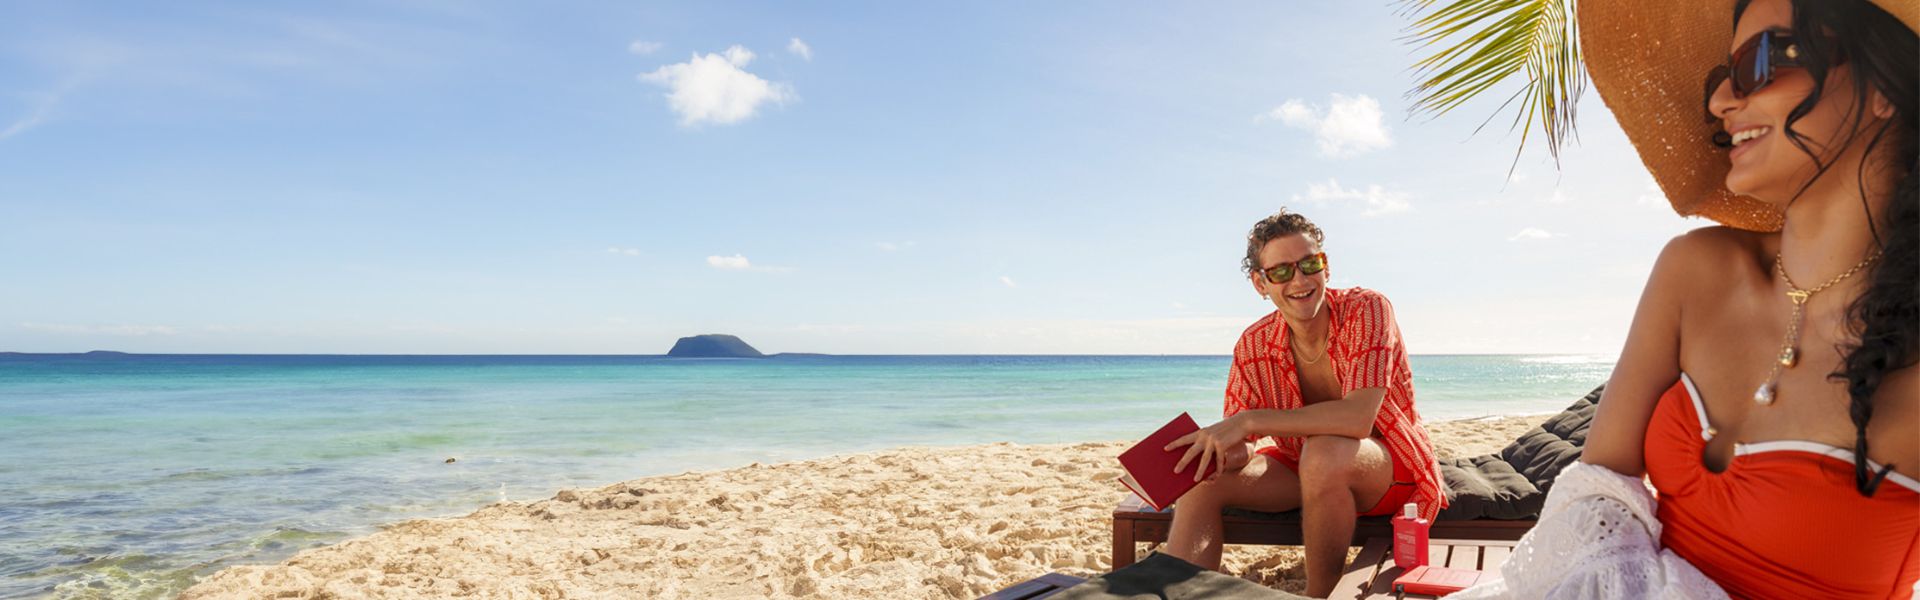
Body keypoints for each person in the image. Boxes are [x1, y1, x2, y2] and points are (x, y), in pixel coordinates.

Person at [1455, 0, 1919, 597]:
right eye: (1719, 78)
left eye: (1762, 60)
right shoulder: (1697, 269)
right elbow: (1596, 487)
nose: (1722, 101)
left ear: (1886, 85)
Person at [1161, 209, 1445, 598]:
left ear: (1325, 267)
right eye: (1280, 272)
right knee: (1200, 482)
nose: (1299, 279)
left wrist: (1249, 421)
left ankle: (1319, 594)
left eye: (1310, 263)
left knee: (1323, 451)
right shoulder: (1253, 343)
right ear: (1260, 283)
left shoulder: (1368, 309)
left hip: (1387, 466)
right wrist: (1222, 454)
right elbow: (1246, 442)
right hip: (1301, 468)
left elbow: (1359, 418)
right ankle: (1177, 597)